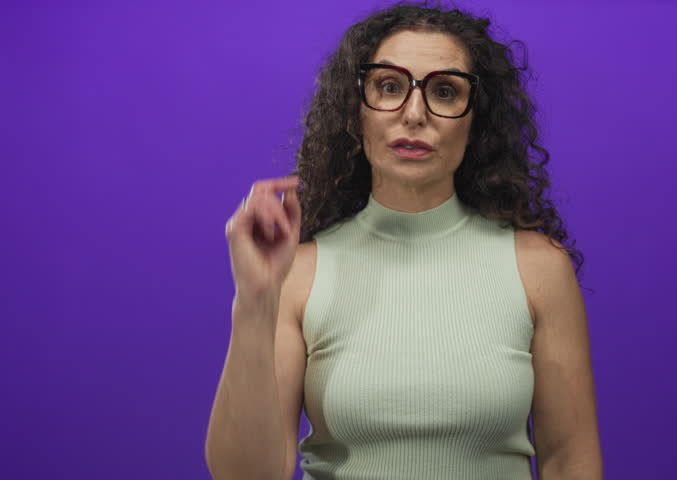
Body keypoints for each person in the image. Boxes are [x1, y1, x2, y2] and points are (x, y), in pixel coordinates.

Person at [206, 2, 602, 479]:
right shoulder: (300, 273)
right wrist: (255, 301)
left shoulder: (539, 269)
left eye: (445, 91)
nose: (414, 114)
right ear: (356, 113)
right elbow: (245, 475)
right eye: (389, 87)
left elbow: (569, 461)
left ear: (475, 122)